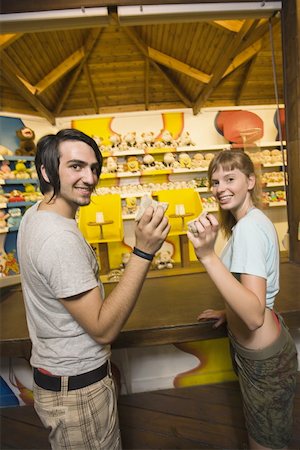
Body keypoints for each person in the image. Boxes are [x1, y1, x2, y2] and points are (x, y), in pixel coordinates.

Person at [17, 128, 170, 450]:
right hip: (78, 391)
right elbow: (103, 329)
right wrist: (143, 251)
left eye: (94, 167)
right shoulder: (59, 239)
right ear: (46, 171)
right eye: (75, 166)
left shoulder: (36, 214)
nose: (89, 177)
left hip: (60, 379)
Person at [187, 150, 298, 450]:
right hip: (262, 355)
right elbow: (253, 292)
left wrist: (207, 256)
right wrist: (228, 311)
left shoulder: (248, 228)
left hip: (265, 363)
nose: (220, 187)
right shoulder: (253, 220)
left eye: (229, 178)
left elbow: (253, 315)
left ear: (250, 181)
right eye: (214, 181)